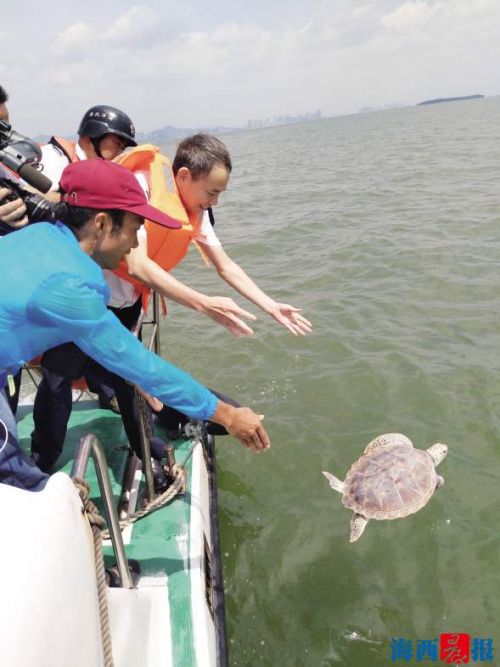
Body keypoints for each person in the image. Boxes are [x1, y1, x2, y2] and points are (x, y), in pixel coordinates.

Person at [0, 159, 270, 492]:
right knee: (29, 494)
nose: (134, 243)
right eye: (134, 227)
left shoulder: (41, 235)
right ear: (101, 223)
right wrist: (228, 415)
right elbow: (140, 365)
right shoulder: (70, 285)